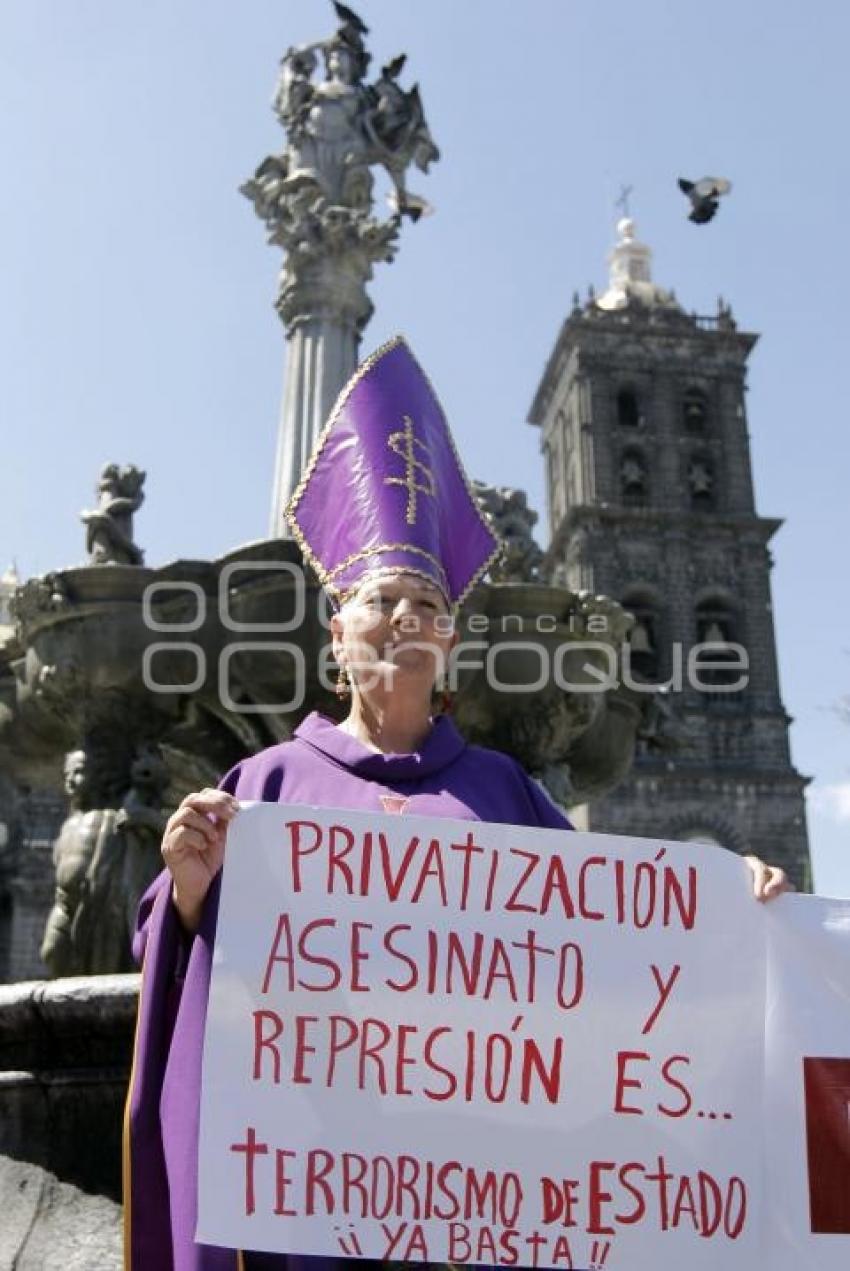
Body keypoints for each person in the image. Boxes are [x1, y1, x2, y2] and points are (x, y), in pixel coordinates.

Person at [123, 337, 789, 1271]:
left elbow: (616, 937)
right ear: (336, 628)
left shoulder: (501, 788)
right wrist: (190, 888)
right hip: (310, 1188)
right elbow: (174, 954)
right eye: (382, 599)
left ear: (451, 643)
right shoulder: (266, 783)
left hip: (474, 1197)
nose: (404, 618)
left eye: (428, 606)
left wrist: (727, 903)